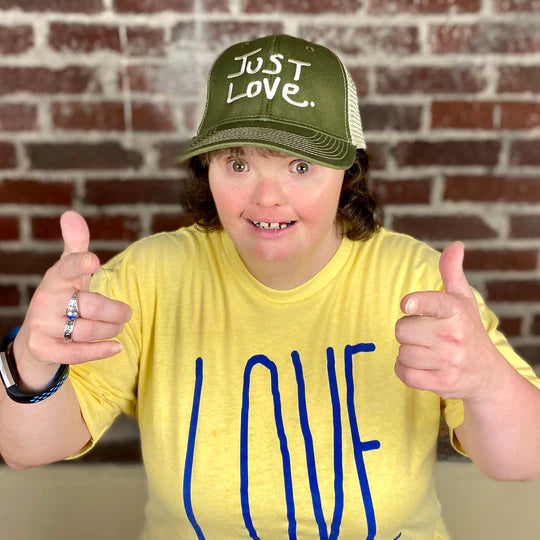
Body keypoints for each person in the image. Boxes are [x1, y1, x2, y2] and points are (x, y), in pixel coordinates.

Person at [0, 34, 539, 540]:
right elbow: (25, 450)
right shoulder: (151, 277)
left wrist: (486, 379)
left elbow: (523, 460)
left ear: (347, 171)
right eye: (238, 163)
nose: (267, 198)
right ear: (207, 169)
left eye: (300, 166)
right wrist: (31, 362)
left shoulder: (417, 281)